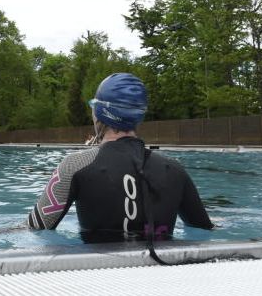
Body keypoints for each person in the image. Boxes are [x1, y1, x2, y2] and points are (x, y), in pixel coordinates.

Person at [27, 72, 213, 243]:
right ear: (139, 116)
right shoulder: (175, 170)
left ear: (99, 112)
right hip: (160, 273)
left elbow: (35, 228)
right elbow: (205, 230)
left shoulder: (74, 165)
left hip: (96, 273)